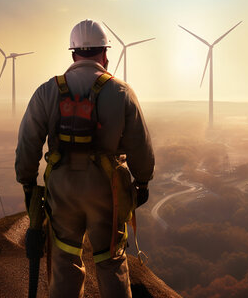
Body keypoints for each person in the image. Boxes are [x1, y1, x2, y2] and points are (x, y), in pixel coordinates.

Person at [15, 19, 155, 298]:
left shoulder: (47, 91)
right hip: (107, 189)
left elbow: (28, 143)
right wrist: (142, 183)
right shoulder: (121, 91)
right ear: (105, 54)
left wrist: (28, 184)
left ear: (73, 54)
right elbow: (141, 146)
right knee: (111, 260)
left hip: (62, 190)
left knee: (65, 260)